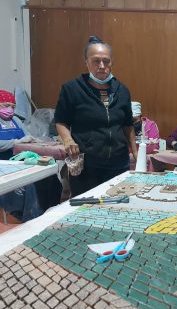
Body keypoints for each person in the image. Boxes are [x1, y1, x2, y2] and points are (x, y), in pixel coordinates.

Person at [55, 36, 137, 197]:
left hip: (118, 164)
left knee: (118, 208)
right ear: (86, 62)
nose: (101, 66)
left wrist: (136, 153)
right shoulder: (72, 89)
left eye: (106, 61)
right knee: (86, 209)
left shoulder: (122, 90)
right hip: (87, 166)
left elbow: (128, 125)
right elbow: (61, 121)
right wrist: (68, 140)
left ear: (111, 62)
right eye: (96, 61)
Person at [0, 90, 59, 222]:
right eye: (5, 105)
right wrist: (15, 142)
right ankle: (31, 216)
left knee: (48, 175)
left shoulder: (15, 119)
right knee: (28, 183)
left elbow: (27, 136)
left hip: (21, 159)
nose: (10, 109)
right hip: (5, 163)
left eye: (13, 106)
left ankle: (51, 210)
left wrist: (36, 141)